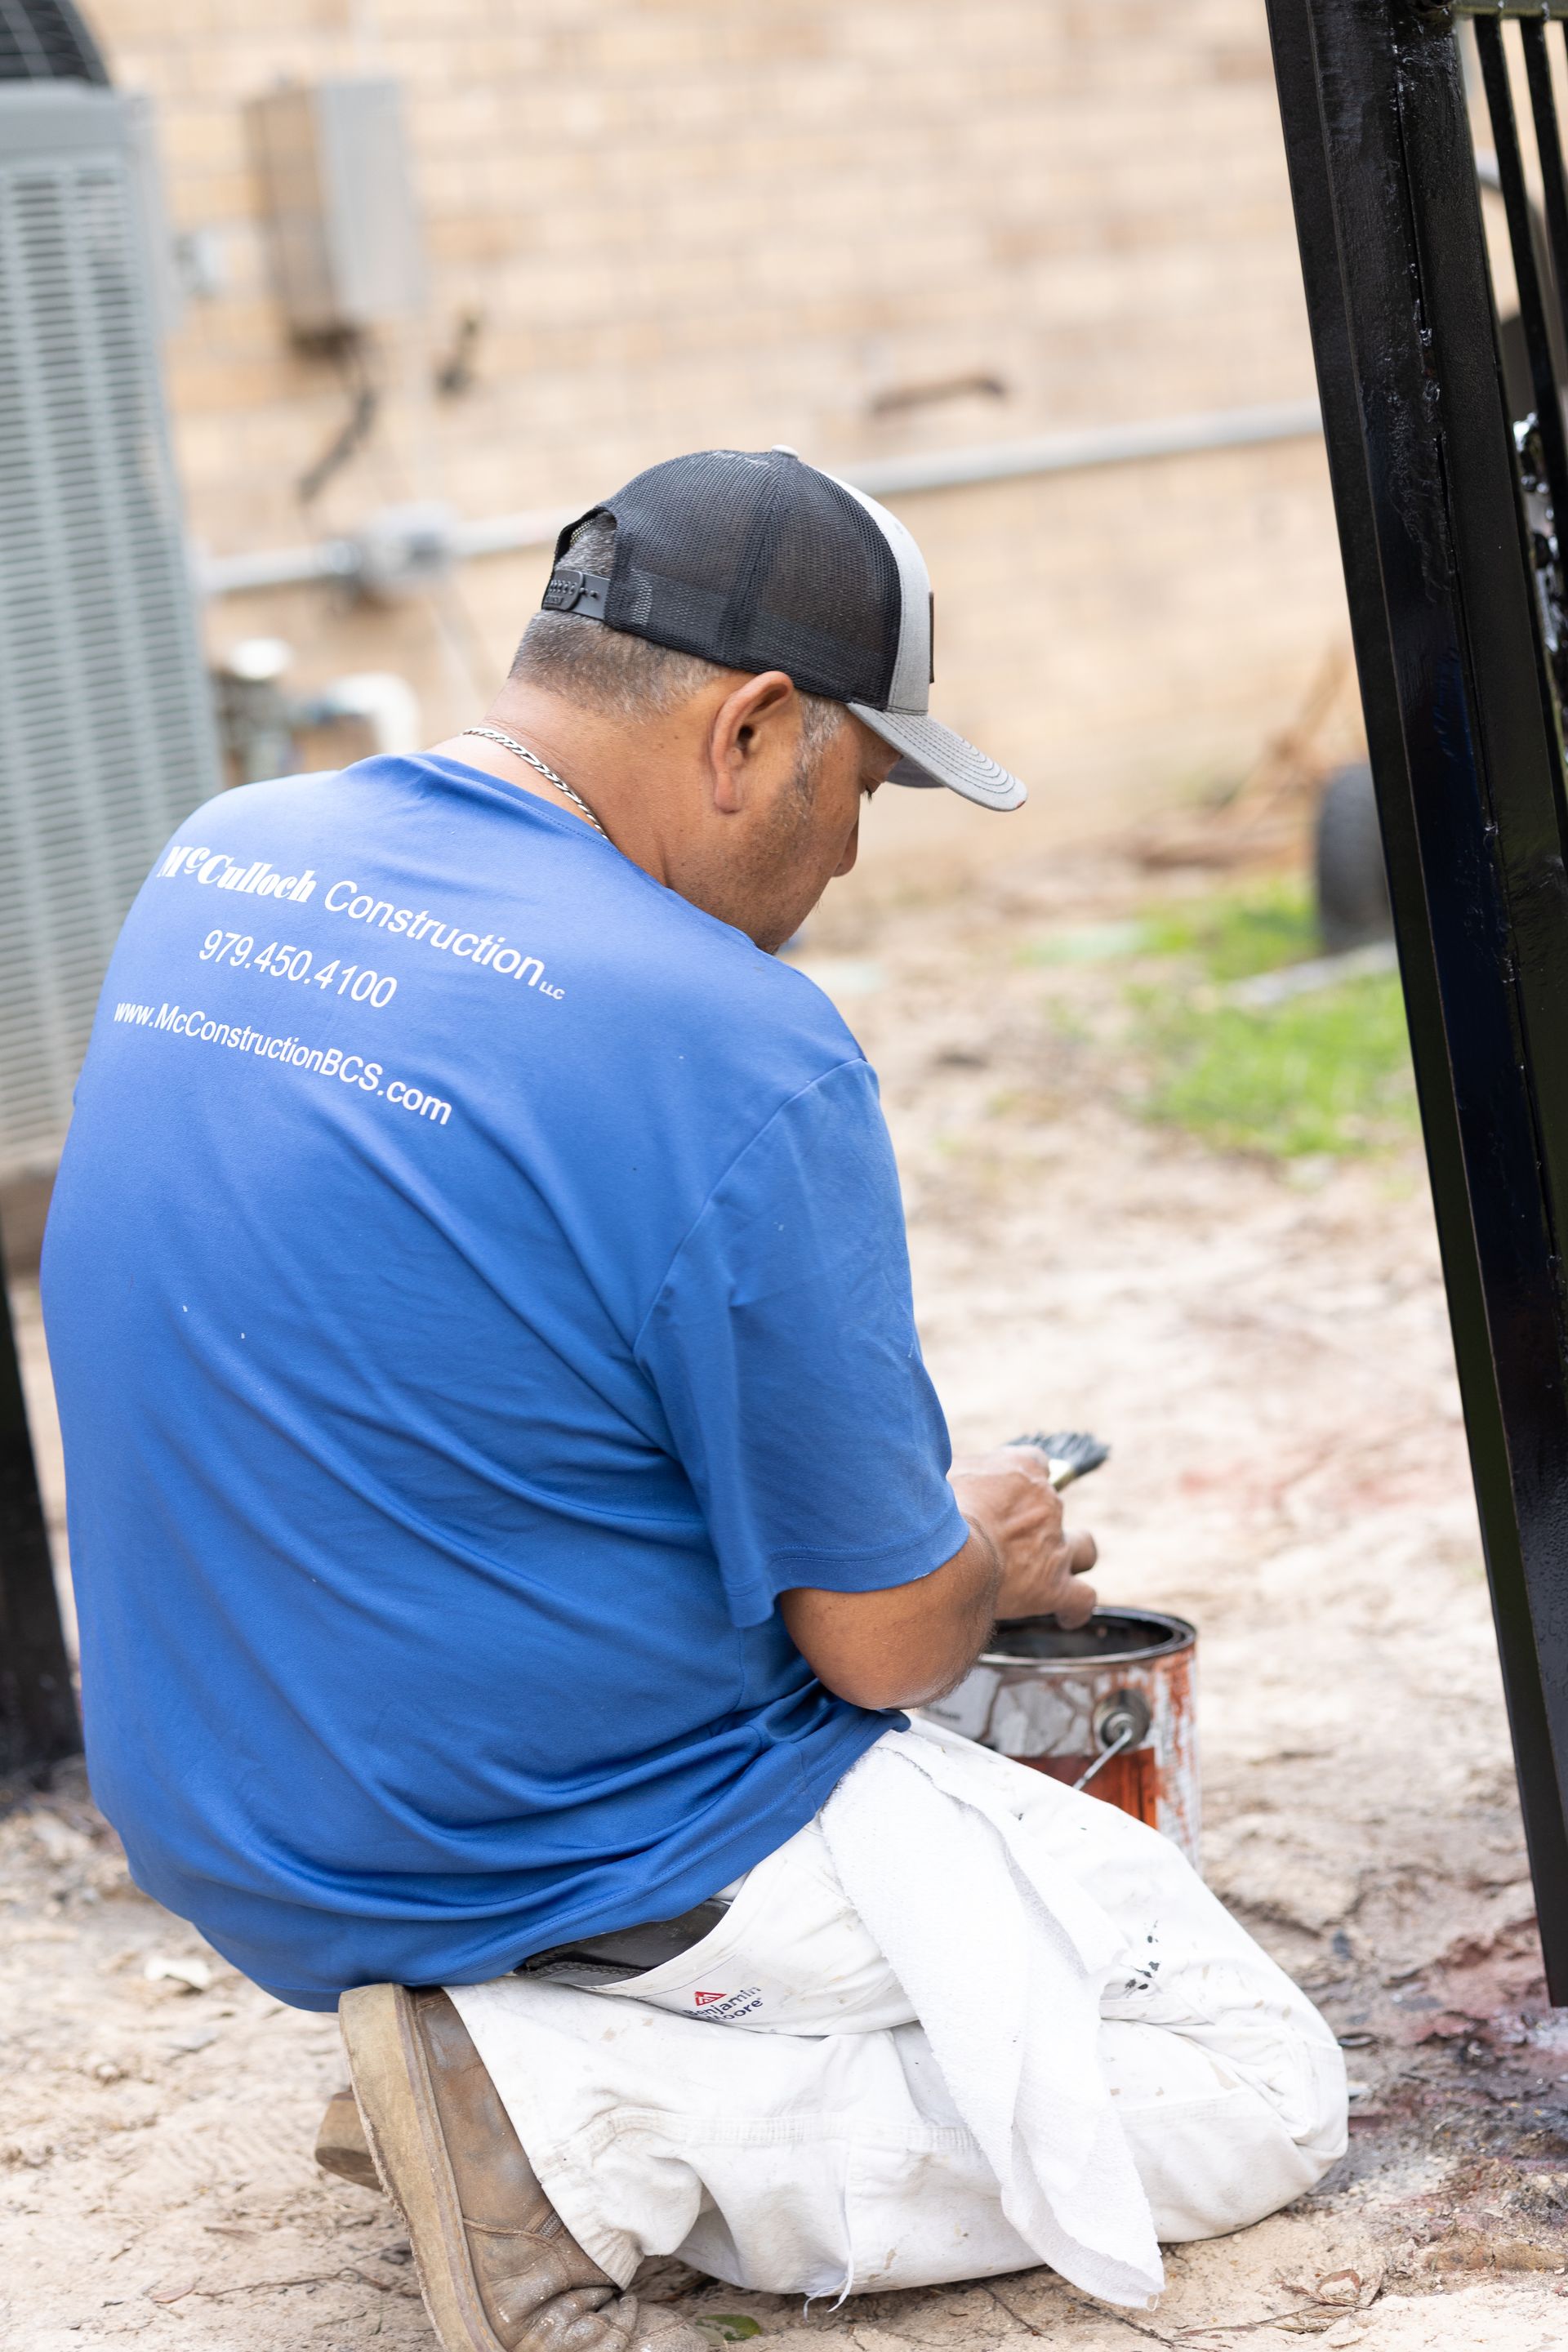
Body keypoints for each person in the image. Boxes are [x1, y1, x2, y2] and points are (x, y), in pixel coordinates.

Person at [42, 448, 1346, 2352]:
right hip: (534, 1839)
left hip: (223, 1821)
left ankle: (506, 2051)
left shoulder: (223, 854)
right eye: (865, 785)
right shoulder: (730, 1037)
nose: (844, 858)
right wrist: (973, 1552)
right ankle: (578, 2125)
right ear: (753, 729)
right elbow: (886, 1647)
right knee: (1248, 2074)